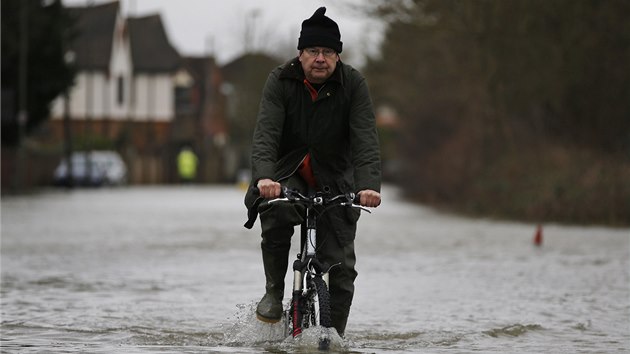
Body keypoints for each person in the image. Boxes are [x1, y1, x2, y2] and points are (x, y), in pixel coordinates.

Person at [243, 7, 381, 337]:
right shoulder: (280, 80)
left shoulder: (354, 84)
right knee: (275, 213)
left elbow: (365, 139)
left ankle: (334, 337)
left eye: (328, 52)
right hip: (286, 172)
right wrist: (264, 177)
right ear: (300, 54)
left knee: (342, 268)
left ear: (338, 56)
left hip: (335, 177)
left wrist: (368, 186)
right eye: (313, 51)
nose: (321, 58)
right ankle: (274, 292)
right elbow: (266, 134)